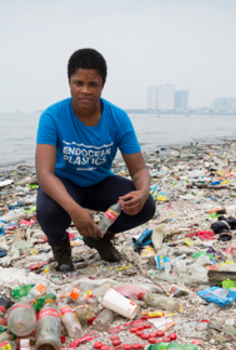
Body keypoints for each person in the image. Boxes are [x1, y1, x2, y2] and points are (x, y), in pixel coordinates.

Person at [35, 48, 155, 272]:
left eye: (93, 85)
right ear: (69, 82)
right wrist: (74, 210)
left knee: (146, 206)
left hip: (99, 183)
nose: (85, 91)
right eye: (78, 83)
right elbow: (44, 174)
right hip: (65, 183)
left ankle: (100, 236)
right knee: (48, 211)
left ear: (103, 85)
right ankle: (60, 247)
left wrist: (142, 192)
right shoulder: (52, 116)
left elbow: (139, 169)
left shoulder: (118, 118)